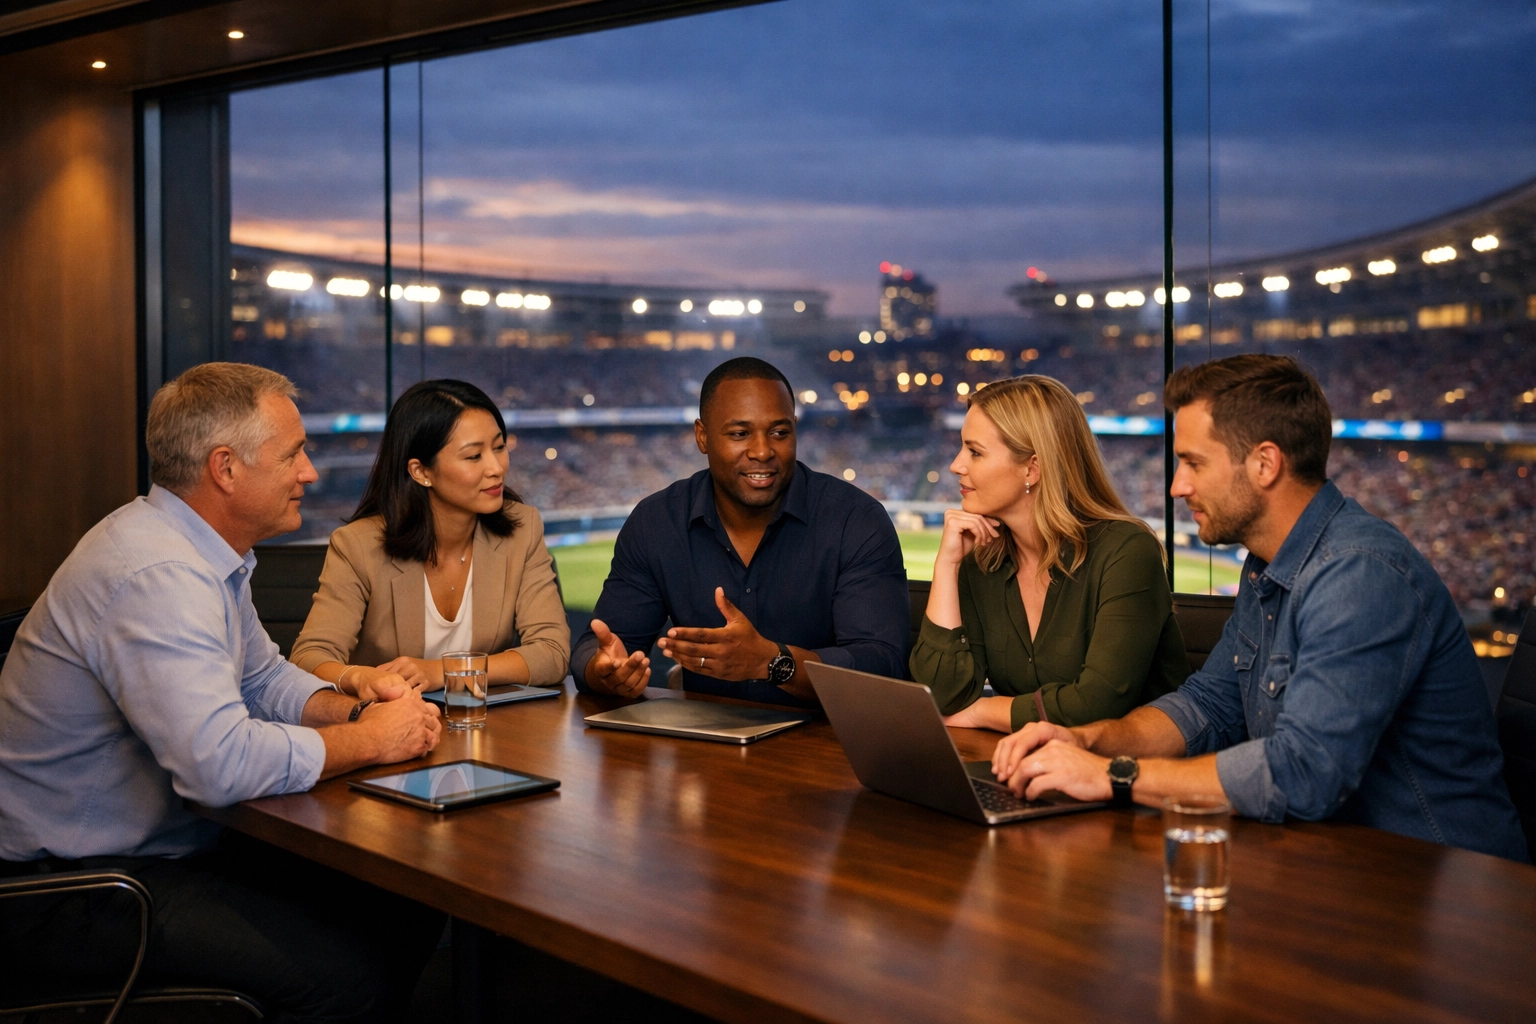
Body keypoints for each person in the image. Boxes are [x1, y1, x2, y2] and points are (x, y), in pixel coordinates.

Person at [0, 363, 447, 1020]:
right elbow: (218, 766)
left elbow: (261, 678)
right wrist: (372, 738)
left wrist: (356, 707)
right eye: (293, 454)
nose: (310, 473)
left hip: (159, 850)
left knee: (403, 905)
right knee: (347, 978)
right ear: (226, 469)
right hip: (77, 889)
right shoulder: (161, 574)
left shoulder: (196, 550)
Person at [991, 354, 1527, 862]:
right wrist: (1089, 741)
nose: (1177, 486)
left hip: (1440, 889)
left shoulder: (1359, 572)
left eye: (1193, 463)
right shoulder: (1266, 565)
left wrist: (1116, 776)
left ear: (1265, 463)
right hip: (1332, 869)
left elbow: (1304, 773)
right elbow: (1208, 707)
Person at [570, 356, 908, 706]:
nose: (762, 451)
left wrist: (772, 662)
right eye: (739, 434)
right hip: (706, 749)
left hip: (825, 748)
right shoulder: (656, 522)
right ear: (702, 437)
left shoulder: (857, 520)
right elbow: (598, 649)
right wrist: (605, 672)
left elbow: (881, 666)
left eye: (779, 432)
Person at [911, 375, 1188, 731]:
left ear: (1032, 468)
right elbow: (941, 696)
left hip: (1136, 776)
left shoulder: (1127, 551)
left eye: (974, 451)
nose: (956, 465)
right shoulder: (981, 561)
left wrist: (982, 711)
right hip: (1036, 768)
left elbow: (1094, 705)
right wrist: (947, 566)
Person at [290, 379, 569, 693]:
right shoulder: (357, 545)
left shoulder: (523, 528)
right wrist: (361, 678)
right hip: (388, 727)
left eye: (500, 447)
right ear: (421, 471)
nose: (496, 467)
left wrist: (449, 671)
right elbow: (309, 658)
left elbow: (552, 653)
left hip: (484, 731)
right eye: (474, 456)